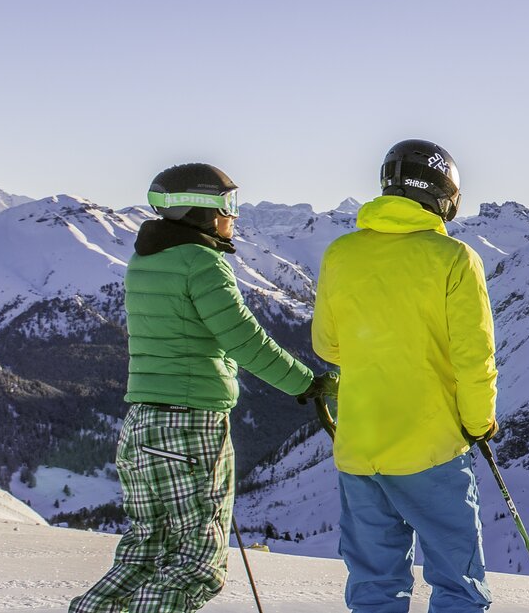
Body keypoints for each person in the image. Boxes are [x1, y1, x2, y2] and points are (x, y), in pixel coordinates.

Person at [71, 163, 336, 613]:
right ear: (202, 210)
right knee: (197, 564)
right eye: (229, 204)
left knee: (145, 552)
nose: (234, 216)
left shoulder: (145, 260)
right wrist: (308, 383)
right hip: (190, 426)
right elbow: (244, 338)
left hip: (140, 426)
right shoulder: (204, 264)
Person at [313, 139, 499, 612]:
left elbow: (327, 346)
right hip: (430, 447)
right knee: (458, 584)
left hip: (359, 448)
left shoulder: (340, 253)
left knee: (375, 586)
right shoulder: (454, 258)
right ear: (444, 194)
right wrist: (479, 425)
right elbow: (473, 360)